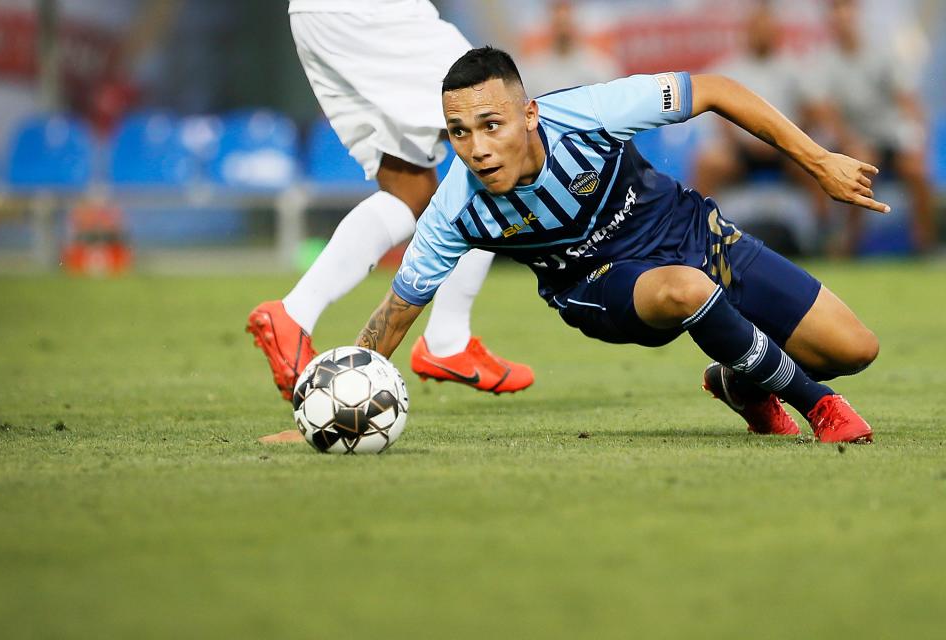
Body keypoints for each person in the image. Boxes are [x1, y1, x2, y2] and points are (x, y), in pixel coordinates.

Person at [331, 45, 885, 448]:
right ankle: (819, 404)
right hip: (599, 286)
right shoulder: (455, 208)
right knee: (687, 290)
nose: (476, 149)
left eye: (491, 124)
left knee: (855, 349)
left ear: (529, 115)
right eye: (459, 132)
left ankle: (740, 382)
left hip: (693, 232)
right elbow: (395, 315)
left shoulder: (591, 112)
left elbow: (715, 89)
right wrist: (336, 409)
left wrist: (820, 162)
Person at [247, 1, 534, 404]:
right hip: (371, 11)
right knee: (494, 119)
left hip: (317, 17)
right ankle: (447, 341)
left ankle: (292, 315)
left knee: (409, 191)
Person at [804, 0, 936, 254]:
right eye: (836, 10)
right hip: (854, 142)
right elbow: (823, 112)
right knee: (861, 164)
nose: (843, 16)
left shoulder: (882, 53)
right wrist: (848, 142)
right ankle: (850, 244)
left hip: (891, 137)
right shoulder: (824, 61)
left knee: (917, 170)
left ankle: (925, 245)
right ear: (830, 19)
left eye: (847, 9)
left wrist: (920, 141)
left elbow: (909, 103)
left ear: (857, 14)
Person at [693, 1, 826, 223]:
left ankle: (824, 235)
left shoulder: (793, 68)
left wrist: (791, 140)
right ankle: (701, 231)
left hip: (786, 149)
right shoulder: (730, 68)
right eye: (757, 29)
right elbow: (719, 114)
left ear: (775, 32)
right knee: (708, 163)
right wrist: (742, 143)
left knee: (818, 167)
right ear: (747, 32)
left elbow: (811, 112)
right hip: (742, 150)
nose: (762, 34)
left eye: (767, 29)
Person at [518, 0, 619, 98]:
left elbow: (611, 100)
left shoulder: (598, 65)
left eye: (566, 24)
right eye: (559, 24)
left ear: (575, 24)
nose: (563, 31)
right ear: (550, 26)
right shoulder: (533, 69)